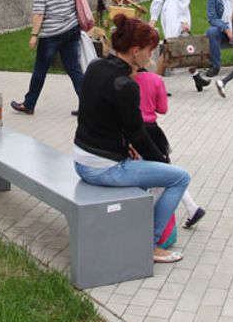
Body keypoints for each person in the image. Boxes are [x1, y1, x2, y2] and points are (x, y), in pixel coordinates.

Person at [73, 14, 191, 264]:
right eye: (150, 51)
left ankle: (137, 229)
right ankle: (151, 244)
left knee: (153, 173)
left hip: (81, 159)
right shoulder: (126, 85)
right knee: (179, 177)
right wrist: (162, 163)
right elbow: (138, 133)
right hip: (103, 169)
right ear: (135, 51)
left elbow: (101, 118)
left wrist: (125, 147)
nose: (151, 56)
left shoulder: (95, 67)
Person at [10, 0, 85, 116]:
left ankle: (29, 104)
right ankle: (88, 106)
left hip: (51, 34)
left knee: (40, 69)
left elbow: (39, 11)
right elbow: (77, 0)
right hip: (71, 29)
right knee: (74, 69)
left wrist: (34, 34)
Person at [135, 69, 207, 229]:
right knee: (165, 169)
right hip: (152, 130)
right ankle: (192, 208)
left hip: (133, 130)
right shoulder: (155, 80)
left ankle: (146, 215)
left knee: (157, 174)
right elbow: (163, 109)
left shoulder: (126, 78)